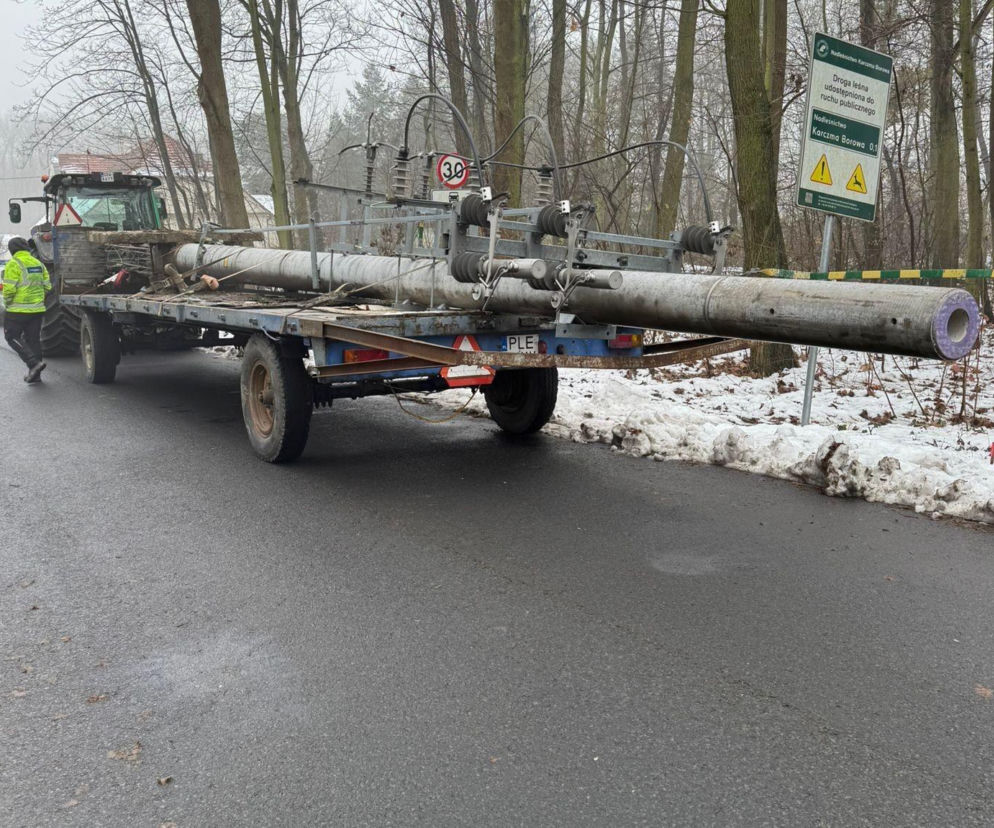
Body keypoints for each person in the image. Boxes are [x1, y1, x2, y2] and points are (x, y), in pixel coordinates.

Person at [2, 236, 51, 383]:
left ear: (12, 250)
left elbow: (9, 290)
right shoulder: (39, 264)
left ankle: (33, 363)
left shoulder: (13, 264)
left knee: (11, 337)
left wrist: (8, 304)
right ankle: (35, 375)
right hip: (37, 310)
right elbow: (47, 286)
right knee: (33, 340)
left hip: (17, 310)